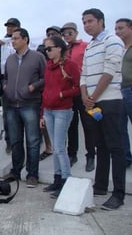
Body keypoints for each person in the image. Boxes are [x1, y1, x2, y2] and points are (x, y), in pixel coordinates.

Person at [81, 8, 125, 210]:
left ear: (101, 21)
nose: (86, 25)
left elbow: (109, 72)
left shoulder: (113, 40)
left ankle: (118, 194)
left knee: (116, 147)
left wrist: (93, 97)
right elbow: (84, 74)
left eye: (90, 21)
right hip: (93, 103)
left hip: (111, 101)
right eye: (84, 22)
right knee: (101, 145)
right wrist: (86, 98)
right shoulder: (90, 46)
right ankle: (100, 186)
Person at [2, 28, 46, 188]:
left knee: (33, 141)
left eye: (16, 38)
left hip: (30, 105)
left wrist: (33, 87)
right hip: (12, 106)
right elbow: (5, 78)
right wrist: (6, 87)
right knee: (15, 141)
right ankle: (15, 171)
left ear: (25, 39)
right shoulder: (10, 59)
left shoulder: (38, 57)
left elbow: (45, 78)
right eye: (12, 39)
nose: (13, 41)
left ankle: (32, 174)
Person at [40, 37, 80, 198]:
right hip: (49, 110)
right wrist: (42, 113)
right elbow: (46, 90)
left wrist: (63, 94)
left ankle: (66, 180)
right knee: (56, 148)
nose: (47, 52)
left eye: (49, 49)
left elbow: (77, 87)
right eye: (45, 49)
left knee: (59, 147)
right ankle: (57, 179)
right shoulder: (49, 66)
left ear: (59, 49)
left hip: (62, 110)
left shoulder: (69, 65)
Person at [60, 22, 90, 169]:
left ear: (76, 33)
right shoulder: (63, 50)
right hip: (69, 92)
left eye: (69, 33)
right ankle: (72, 154)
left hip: (83, 90)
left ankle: (90, 154)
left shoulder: (85, 46)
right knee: (71, 124)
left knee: (87, 123)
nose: (67, 36)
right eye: (64, 34)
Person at [0, 18, 21, 154]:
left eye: (12, 26)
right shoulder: (3, 43)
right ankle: (10, 142)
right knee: (8, 115)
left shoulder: (24, 40)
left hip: (22, 80)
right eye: (8, 26)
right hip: (6, 81)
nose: (9, 28)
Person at [37, 26, 62, 161]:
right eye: (48, 34)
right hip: (45, 92)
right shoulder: (41, 50)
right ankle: (48, 147)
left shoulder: (65, 52)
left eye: (54, 34)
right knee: (44, 122)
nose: (50, 35)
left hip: (63, 96)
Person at [115, 18, 132, 169]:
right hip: (118, 91)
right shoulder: (118, 48)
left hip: (131, 89)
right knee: (120, 128)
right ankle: (126, 158)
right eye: (116, 29)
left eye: (121, 28)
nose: (117, 32)